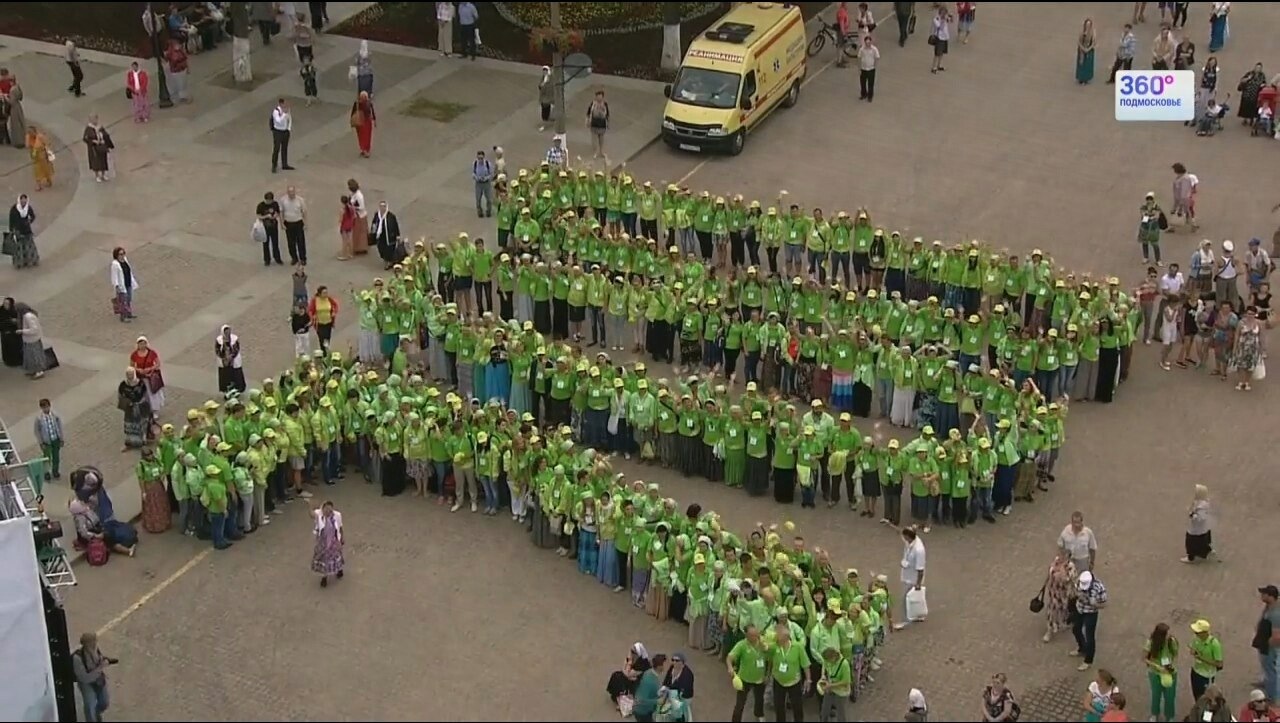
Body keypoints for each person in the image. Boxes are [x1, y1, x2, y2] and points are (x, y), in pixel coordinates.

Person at [69, 493, 137, 557]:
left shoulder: (86, 511)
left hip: (97, 529)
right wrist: (95, 536)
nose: (82, 503)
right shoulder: (80, 519)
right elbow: (84, 533)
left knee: (110, 533)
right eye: (79, 502)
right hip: (93, 534)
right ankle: (127, 551)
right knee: (109, 540)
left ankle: (125, 545)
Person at [71, 632, 117, 722]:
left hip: (99, 680)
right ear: (86, 644)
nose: (94, 644)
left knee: (104, 702)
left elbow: (100, 659)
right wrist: (101, 667)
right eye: (92, 642)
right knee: (89, 706)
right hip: (86, 684)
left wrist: (106, 660)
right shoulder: (77, 658)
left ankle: (97, 713)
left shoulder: (96, 650)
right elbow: (84, 678)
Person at [767, 624, 809, 722]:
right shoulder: (774, 647)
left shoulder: (798, 647)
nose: (776, 639)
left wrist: (808, 679)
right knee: (779, 706)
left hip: (794, 682)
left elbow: (805, 664)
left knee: (797, 706)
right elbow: (769, 658)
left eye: (778, 637)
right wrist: (768, 674)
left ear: (785, 638)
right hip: (778, 681)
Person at [728, 625, 768, 723]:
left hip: (760, 678)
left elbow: (770, 657)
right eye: (752, 635)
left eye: (756, 635)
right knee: (740, 704)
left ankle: (759, 714)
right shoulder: (741, 645)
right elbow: (729, 657)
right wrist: (730, 667)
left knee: (759, 699)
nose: (755, 637)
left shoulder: (763, 643)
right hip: (744, 679)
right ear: (746, 635)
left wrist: (768, 674)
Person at [1142, 622, 1179, 722]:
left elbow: (1175, 654)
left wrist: (1171, 665)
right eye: (1166, 634)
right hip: (1155, 673)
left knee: (1170, 697)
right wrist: (1157, 667)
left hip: (1170, 673)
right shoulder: (1150, 643)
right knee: (1156, 695)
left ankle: (1170, 716)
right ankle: (1155, 714)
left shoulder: (1171, 641)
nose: (1169, 636)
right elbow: (1144, 658)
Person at [1072, 570, 1108, 671]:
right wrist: (1077, 596)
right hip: (1080, 609)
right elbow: (1074, 592)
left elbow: (1104, 604)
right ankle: (1082, 648)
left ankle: (1088, 661)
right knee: (1076, 629)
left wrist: (1095, 604)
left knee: (1089, 636)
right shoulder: (1079, 582)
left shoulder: (1099, 587)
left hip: (1091, 613)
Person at [893, 526, 926, 630]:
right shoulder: (911, 540)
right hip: (908, 575)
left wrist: (918, 584)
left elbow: (920, 569)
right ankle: (918, 615)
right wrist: (890, 525)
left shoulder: (919, 550)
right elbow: (900, 532)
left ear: (908, 536)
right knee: (915, 598)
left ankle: (904, 621)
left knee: (905, 599)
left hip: (913, 579)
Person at [1042, 547, 1077, 642]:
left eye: (1063, 556)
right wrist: (1046, 583)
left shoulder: (1070, 567)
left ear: (1068, 558)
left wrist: (1062, 570)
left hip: (1064, 594)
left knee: (1064, 610)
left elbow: (1067, 579)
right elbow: (1050, 573)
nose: (1060, 557)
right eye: (1060, 554)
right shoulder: (1055, 562)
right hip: (1053, 593)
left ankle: (1064, 623)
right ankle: (1049, 631)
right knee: (1051, 612)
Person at [311, 499, 345, 588]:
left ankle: (339, 570)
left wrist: (342, 538)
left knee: (336, 557)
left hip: (333, 542)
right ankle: (324, 577)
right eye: (326, 510)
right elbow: (312, 514)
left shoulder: (337, 515)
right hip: (323, 543)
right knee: (324, 560)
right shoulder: (320, 516)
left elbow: (340, 527)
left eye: (330, 510)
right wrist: (310, 506)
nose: (328, 512)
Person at [137, 446, 170, 533]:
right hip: (149, 487)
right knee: (152, 507)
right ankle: (153, 526)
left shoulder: (156, 461)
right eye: (148, 455)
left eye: (151, 454)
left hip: (158, 485)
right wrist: (143, 492)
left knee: (161, 504)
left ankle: (164, 523)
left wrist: (162, 475)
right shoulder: (141, 465)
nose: (150, 456)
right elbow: (141, 479)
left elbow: (162, 468)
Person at [1189, 620, 1224, 702]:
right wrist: (1193, 651)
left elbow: (1219, 664)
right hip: (1196, 671)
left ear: (1204, 633)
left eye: (1198, 632)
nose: (1195, 633)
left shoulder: (1214, 644)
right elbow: (1192, 648)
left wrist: (1201, 658)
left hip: (1207, 675)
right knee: (1197, 695)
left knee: (1206, 698)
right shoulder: (1196, 639)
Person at [1256, 585, 1280, 703]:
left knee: (1270, 669)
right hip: (1264, 643)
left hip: (1268, 647)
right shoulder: (1269, 607)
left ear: (1271, 596)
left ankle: (1272, 697)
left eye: (1264, 594)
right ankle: (1266, 683)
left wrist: (1268, 646)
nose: (1262, 596)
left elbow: (1276, 635)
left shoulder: (1275, 614)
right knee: (1266, 667)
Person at [607, 642, 651, 708]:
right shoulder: (633, 658)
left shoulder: (642, 663)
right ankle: (616, 695)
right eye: (631, 651)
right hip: (632, 677)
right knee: (616, 675)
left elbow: (628, 674)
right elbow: (625, 667)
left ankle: (621, 697)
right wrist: (628, 663)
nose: (631, 653)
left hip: (638, 682)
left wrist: (628, 664)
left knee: (619, 678)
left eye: (633, 652)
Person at [118, 368, 152, 450]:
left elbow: (146, 395)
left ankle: (143, 442)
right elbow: (120, 396)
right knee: (129, 425)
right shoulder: (123, 384)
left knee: (142, 425)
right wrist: (126, 402)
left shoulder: (140, 383)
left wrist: (143, 403)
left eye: (131, 374)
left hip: (141, 408)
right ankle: (129, 443)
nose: (129, 376)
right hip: (129, 409)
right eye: (128, 374)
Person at [129, 336, 165, 414]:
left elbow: (158, 363)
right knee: (143, 395)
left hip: (150, 378)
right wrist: (138, 370)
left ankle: (155, 411)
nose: (142, 346)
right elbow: (131, 366)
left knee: (153, 394)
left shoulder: (152, 353)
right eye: (140, 344)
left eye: (143, 343)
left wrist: (150, 369)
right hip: (140, 378)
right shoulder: (134, 355)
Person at [1232, 306, 1265, 391]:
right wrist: (1235, 347)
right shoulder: (1241, 323)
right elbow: (1237, 335)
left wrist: (1262, 349)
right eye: (1249, 313)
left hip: (1254, 348)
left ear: (1255, 314)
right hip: (1242, 347)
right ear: (1246, 313)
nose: (1250, 315)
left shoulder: (1258, 323)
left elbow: (1261, 336)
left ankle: (1247, 382)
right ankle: (1241, 381)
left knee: (1250, 365)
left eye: (1252, 314)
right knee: (1240, 365)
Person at [33, 398, 65, 481]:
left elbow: (60, 427)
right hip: (46, 442)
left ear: (49, 406)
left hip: (55, 439)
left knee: (56, 457)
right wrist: (41, 443)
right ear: (41, 408)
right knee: (47, 458)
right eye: (44, 407)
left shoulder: (55, 416)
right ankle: (46, 472)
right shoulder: (39, 419)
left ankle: (55, 471)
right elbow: (37, 431)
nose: (46, 409)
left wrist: (61, 439)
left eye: (47, 407)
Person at [1182, 484, 1213, 563]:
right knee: (1203, 540)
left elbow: (1201, 518)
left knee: (1191, 542)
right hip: (1202, 528)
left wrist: (1192, 515)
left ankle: (1190, 558)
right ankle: (1206, 551)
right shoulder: (1203, 502)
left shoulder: (1201, 506)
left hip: (1197, 529)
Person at [633, 653, 667, 723]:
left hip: (647, 709)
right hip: (642, 711)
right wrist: (657, 701)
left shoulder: (650, 672)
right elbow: (641, 700)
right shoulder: (649, 681)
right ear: (659, 667)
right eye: (665, 664)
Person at [8, 193, 39, 268]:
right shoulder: (14, 209)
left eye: (25, 200)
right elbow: (11, 220)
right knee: (19, 247)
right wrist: (11, 230)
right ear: (19, 200)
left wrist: (29, 221)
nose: (23, 202)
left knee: (28, 246)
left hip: (26, 230)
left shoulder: (28, 208)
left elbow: (33, 216)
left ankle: (30, 261)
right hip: (18, 230)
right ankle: (19, 263)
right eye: (22, 200)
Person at [16, 302, 45, 379]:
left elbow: (34, 329)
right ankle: (34, 370)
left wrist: (22, 331)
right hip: (29, 340)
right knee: (30, 356)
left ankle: (39, 371)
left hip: (32, 340)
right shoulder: (27, 316)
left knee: (35, 356)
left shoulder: (28, 317)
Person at [214, 324, 246, 395]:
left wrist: (231, 357)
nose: (227, 333)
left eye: (228, 331)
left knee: (236, 373)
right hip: (224, 361)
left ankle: (238, 387)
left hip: (234, 360)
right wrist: (224, 357)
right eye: (226, 332)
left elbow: (237, 348)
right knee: (225, 374)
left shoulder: (234, 338)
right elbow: (217, 350)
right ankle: (226, 389)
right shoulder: (219, 340)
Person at [280, 186, 307, 265]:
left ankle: (303, 258)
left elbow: (304, 212)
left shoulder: (300, 200)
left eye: (292, 192)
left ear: (295, 192)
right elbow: (281, 212)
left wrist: (305, 223)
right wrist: (282, 223)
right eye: (290, 192)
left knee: (301, 241)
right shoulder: (283, 200)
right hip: (288, 223)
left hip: (298, 222)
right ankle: (294, 258)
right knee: (291, 242)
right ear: (287, 192)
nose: (291, 194)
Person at [110, 246, 138, 321]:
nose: (122, 256)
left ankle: (129, 313)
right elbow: (114, 276)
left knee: (129, 299)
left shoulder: (125, 260)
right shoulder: (115, 264)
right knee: (123, 301)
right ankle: (123, 316)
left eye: (123, 253)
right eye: (120, 254)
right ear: (116, 255)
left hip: (128, 283)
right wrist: (116, 286)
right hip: (122, 285)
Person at [83, 114, 112, 182]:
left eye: (95, 119)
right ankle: (97, 176)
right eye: (93, 119)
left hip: (102, 145)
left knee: (103, 160)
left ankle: (103, 174)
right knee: (96, 162)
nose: (94, 120)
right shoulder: (88, 128)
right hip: (94, 148)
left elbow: (105, 135)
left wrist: (105, 140)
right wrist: (93, 141)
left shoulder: (100, 127)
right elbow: (85, 138)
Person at [309, 285, 339, 352]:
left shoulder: (329, 299)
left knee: (327, 338)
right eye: (324, 293)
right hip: (319, 323)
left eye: (326, 292)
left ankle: (326, 352)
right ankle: (323, 352)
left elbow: (336, 305)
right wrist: (312, 316)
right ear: (320, 294)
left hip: (328, 322)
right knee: (322, 338)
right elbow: (310, 310)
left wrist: (334, 312)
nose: (326, 294)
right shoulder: (315, 300)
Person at [163, 38, 190, 103]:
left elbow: (185, 58)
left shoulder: (180, 51)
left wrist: (188, 68)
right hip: (176, 70)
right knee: (179, 84)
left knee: (182, 83)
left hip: (181, 69)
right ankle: (181, 96)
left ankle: (183, 96)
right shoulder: (170, 52)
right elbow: (166, 59)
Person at [271, 97, 294, 173]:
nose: (286, 105)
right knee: (276, 148)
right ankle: (274, 165)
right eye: (284, 103)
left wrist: (288, 129)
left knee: (284, 148)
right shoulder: (276, 111)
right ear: (281, 104)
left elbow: (290, 119)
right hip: (278, 132)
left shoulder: (287, 110)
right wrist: (284, 114)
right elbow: (278, 121)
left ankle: (284, 164)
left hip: (285, 131)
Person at [347, 178, 369, 255]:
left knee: (361, 232)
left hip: (360, 216)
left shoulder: (359, 196)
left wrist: (354, 208)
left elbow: (362, 207)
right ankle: (357, 247)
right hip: (356, 215)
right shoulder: (352, 194)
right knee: (356, 232)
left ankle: (362, 248)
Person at [587, 90, 610, 161]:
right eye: (598, 97)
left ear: (603, 97)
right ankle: (595, 152)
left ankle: (601, 151)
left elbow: (607, 114)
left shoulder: (605, 104)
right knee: (594, 140)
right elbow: (588, 113)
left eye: (600, 97)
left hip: (602, 124)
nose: (599, 98)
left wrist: (608, 123)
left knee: (601, 139)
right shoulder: (593, 104)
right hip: (594, 124)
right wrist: (588, 121)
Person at [351, 90, 376, 157]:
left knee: (366, 137)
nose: (363, 98)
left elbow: (372, 111)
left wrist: (374, 120)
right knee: (362, 136)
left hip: (366, 122)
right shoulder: (358, 103)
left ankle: (366, 150)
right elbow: (353, 112)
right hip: (361, 122)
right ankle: (363, 149)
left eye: (364, 97)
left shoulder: (368, 103)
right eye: (362, 97)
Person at [928, 4, 950, 74]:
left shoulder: (945, 18)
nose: (944, 14)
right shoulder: (936, 19)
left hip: (945, 37)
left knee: (942, 53)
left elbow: (951, 21)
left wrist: (950, 17)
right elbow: (940, 27)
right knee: (937, 54)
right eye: (943, 12)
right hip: (939, 38)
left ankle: (939, 65)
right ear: (940, 12)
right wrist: (943, 20)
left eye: (945, 12)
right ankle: (933, 67)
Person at [858, 34, 880, 101]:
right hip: (863, 68)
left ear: (871, 42)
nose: (868, 44)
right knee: (863, 83)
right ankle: (863, 94)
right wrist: (859, 68)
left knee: (871, 83)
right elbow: (859, 58)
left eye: (869, 43)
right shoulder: (862, 49)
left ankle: (870, 96)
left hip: (871, 69)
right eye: (866, 43)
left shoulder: (874, 49)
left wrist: (875, 66)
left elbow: (877, 57)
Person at [473, 149, 494, 218]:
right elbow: (473, 173)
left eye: (481, 158)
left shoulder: (488, 164)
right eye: (479, 158)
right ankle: (480, 212)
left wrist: (486, 178)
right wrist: (477, 177)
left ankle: (488, 211)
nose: (480, 160)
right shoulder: (475, 164)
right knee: (478, 199)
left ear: (484, 157)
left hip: (486, 183)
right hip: (478, 183)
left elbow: (491, 174)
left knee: (489, 199)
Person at [0, 298, 20, 367]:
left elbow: (19, 320)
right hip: (5, 333)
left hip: (14, 333)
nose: (5, 305)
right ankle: (8, 361)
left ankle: (16, 361)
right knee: (7, 348)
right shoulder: (1, 311)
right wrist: (9, 321)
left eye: (7, 304)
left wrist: (16, 321)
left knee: (14, 347)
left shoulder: (14, 311)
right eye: (4, 303)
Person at [1076, 19, 1096, 84]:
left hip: (1089, 50)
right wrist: (1083, 48)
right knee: (1081, 64)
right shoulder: (1082, 31)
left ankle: (1086, 79)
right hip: (1081, 50)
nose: (1088, 26)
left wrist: (1088, 49)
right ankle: (1080, 78)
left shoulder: (1093, 32)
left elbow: (1093, 42)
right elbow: (1079, 41)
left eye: (1089, 25)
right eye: (1087, 24)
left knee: (1087, 66)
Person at [538, 65, 554, 130]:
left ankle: (544, 124)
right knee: (545, 111)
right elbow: (540, 86)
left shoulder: (550, 79)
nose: (544, 72)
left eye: (545, 71)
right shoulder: (543, 78)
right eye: (543, 71)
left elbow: (550, 88)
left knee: (545, 112)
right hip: (544, 98)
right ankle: (544, 123)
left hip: (547, 98)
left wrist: (543, 85)